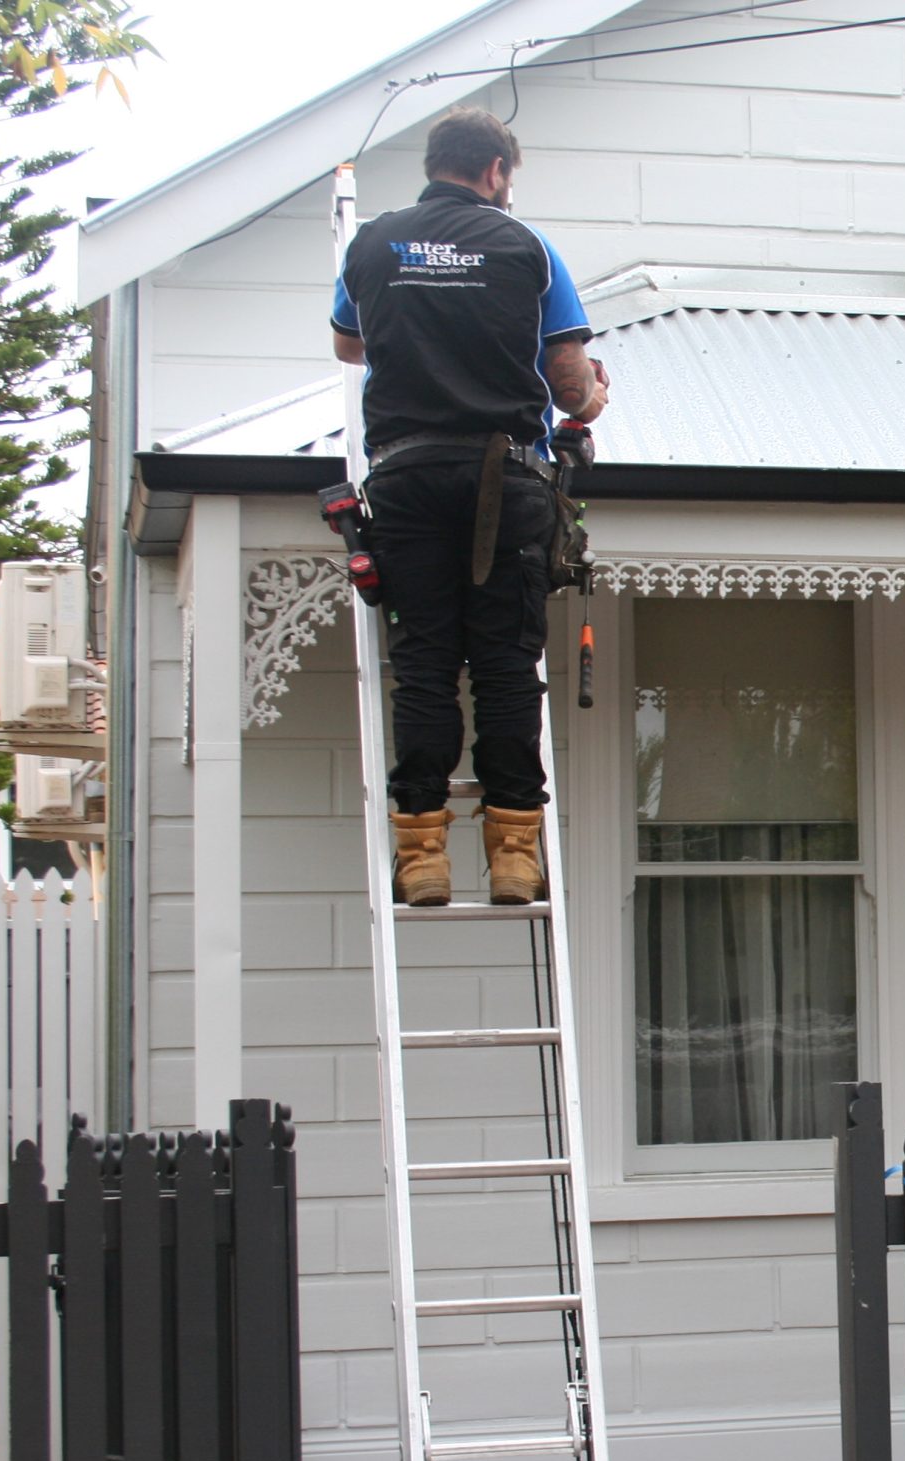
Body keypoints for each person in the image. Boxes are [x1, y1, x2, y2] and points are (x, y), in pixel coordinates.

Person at [331, 105, 609, 907]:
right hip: (505, 476)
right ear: (494, 172)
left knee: (422, 662)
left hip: (407, 473)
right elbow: (567, 385)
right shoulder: (527, 247)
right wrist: (593, 398)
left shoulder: (374, 243)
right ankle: (515, 855)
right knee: (504, 664)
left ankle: (422, 857)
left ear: (435, 163)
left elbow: (350, 344)